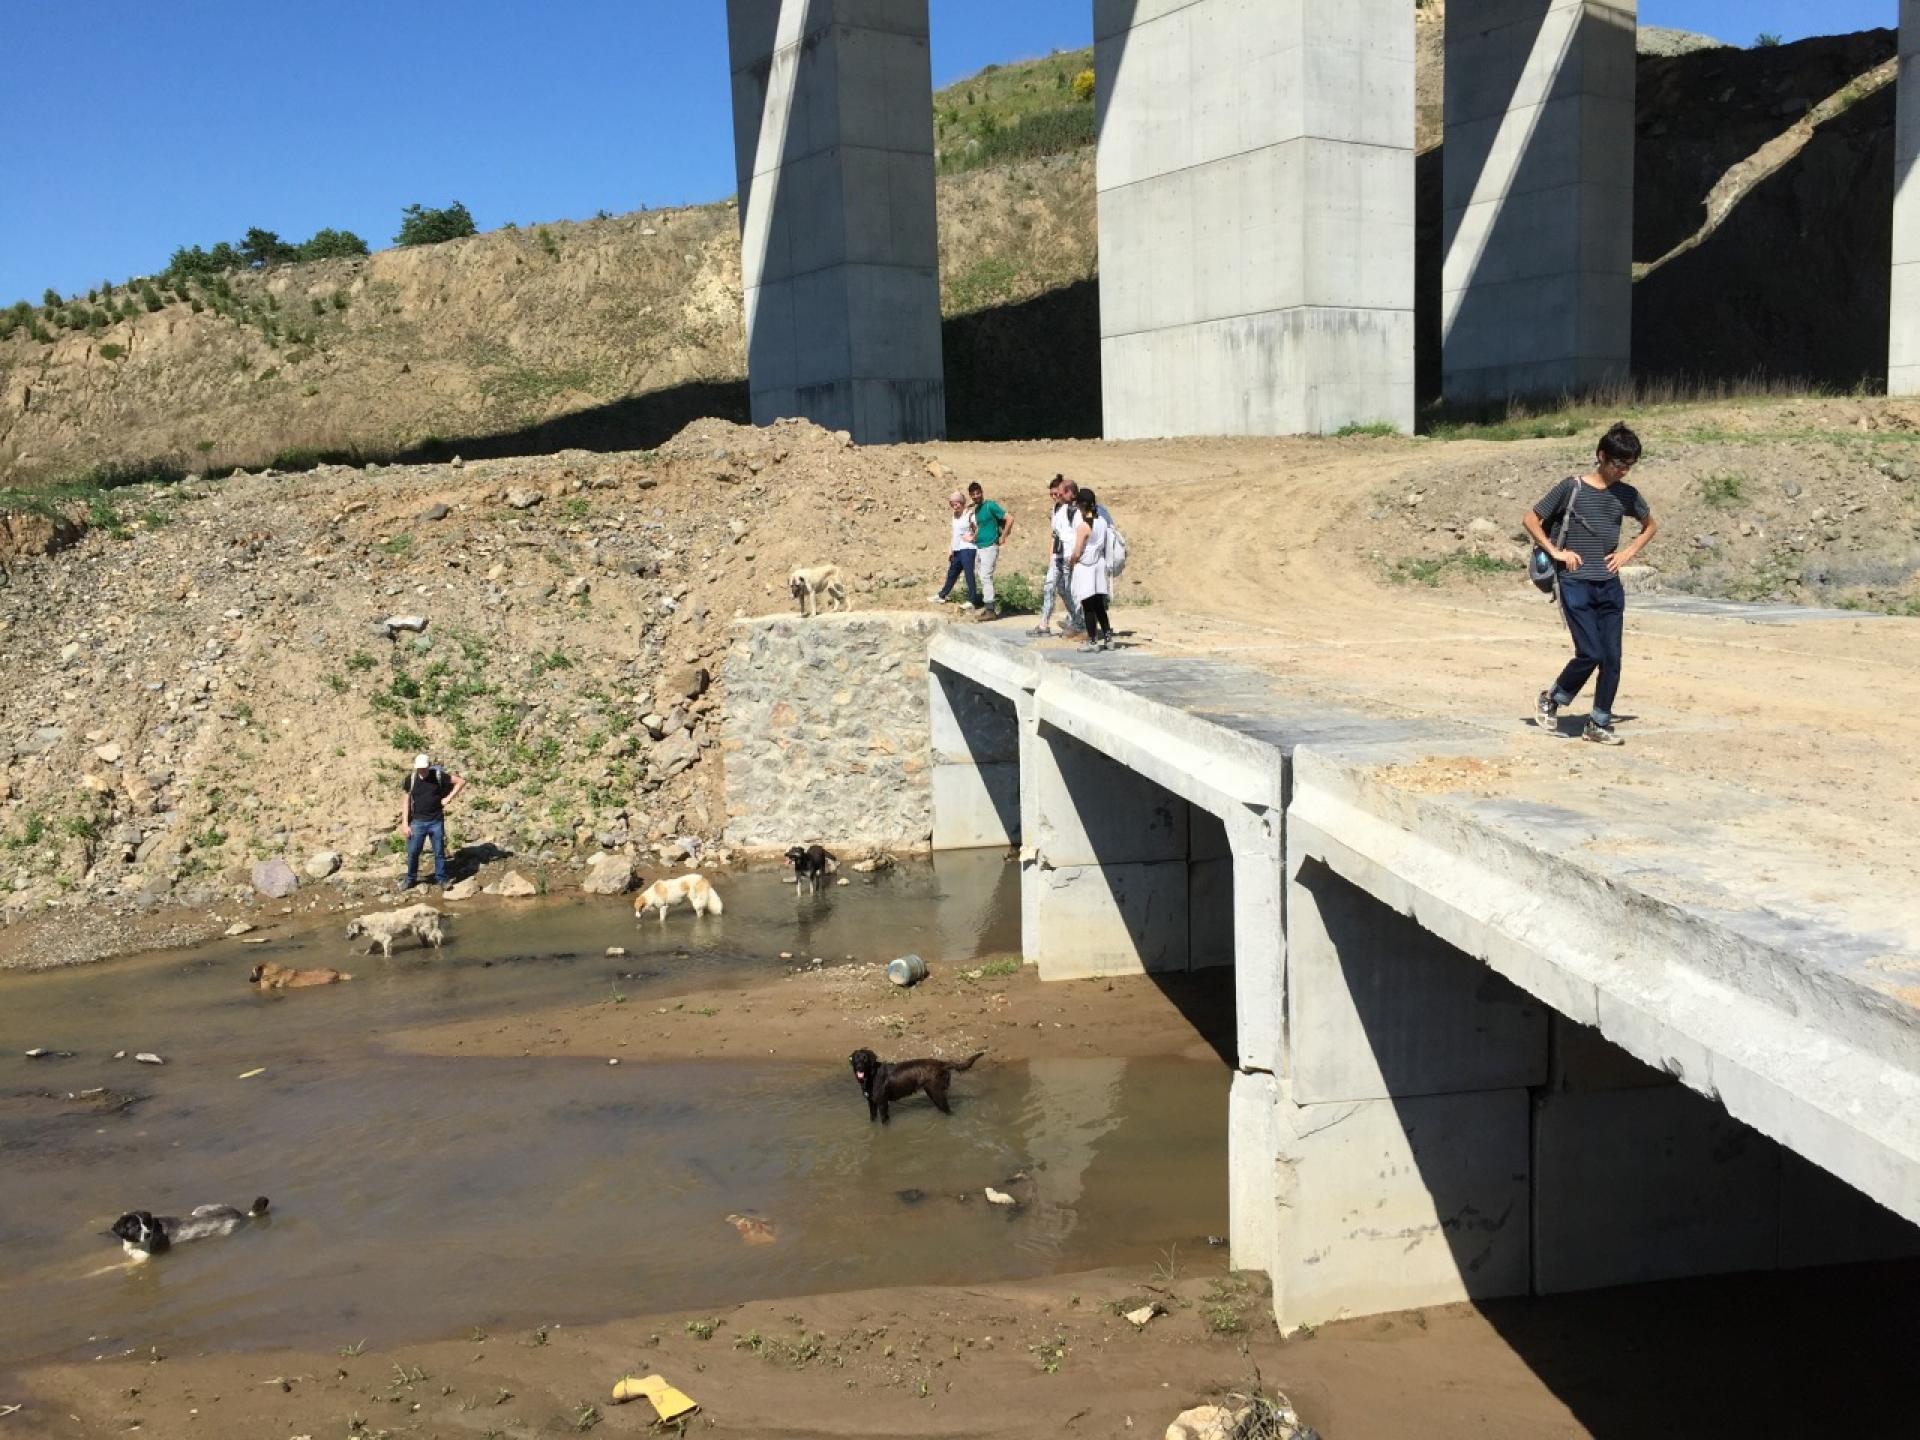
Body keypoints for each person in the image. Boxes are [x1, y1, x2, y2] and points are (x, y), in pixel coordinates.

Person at [1522, 423, 1659, 746]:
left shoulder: (1627, 495)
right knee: (1591, 651)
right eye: (1618, 463)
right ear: (1601, 456)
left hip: (1609, 584)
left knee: (1612, 657)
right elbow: (1531, 518)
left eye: (1629, 465)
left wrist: (1627, 553)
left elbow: (1650, 526)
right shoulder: (1572, 488)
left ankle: (1598, 723)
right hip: (1575, 583)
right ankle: (1552, 697)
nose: (1623, 471)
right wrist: (1555, 551)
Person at [399, 752, 466, 890]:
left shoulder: (438, 776)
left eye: (424, 768)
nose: (422, 771)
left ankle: (441, 878)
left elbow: (460, 782)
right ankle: (410, 878)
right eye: (419, 768)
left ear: (429, 766)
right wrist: (405, 823)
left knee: (439, 852)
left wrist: (448, 798)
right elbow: (406, 801)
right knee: (413, 852)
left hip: (436, 821)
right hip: (417, 822)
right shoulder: (410, 780)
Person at [1068, 488, 1114, 652]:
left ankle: (1093, 641)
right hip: (1099, 565)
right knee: (1099, 604)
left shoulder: (1083, 526)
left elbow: (1078, 551)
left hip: (1086, 567)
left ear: (1081, 505)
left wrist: (1071, 561)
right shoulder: (1102, 522)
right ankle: (1108, 638)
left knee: (1088, 605)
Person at [930, 489, 984, 610]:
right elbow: (955, 533)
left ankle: (972, 600)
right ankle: (942, 595)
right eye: (952, 504)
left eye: (957, 503)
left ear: (962, 502)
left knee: (969, 574)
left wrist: (972, 538)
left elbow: (979, 528)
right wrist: (950, 547)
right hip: (957, 549)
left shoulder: (970, 514)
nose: (955, 506)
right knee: (952, 573)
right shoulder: (955, 516)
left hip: (968, 549)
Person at [966, 481, 1012, 616]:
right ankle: (988, 606)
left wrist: (1003, 536)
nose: (976, 496)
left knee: (986, 576)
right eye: (973, 494)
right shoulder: (978, 509)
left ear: (982, 492)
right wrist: (975, 537)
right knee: (981, 575)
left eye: (977, 493)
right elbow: (981, 527)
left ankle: (990, 609)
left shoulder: (989, 506)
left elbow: (1009, 518)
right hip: (980, 546)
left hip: (990, 546)